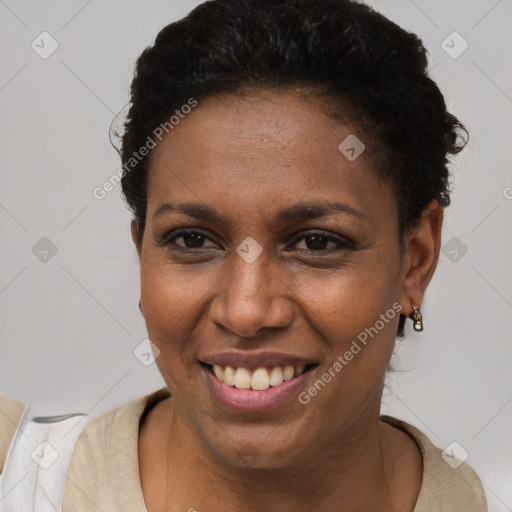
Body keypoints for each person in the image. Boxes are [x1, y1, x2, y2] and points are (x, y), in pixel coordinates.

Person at [0, 0, 489, 510]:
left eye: (316, 242)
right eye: (192, 240)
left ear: (416, 260)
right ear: (141, 249)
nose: (246, 311)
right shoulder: (23, 484)